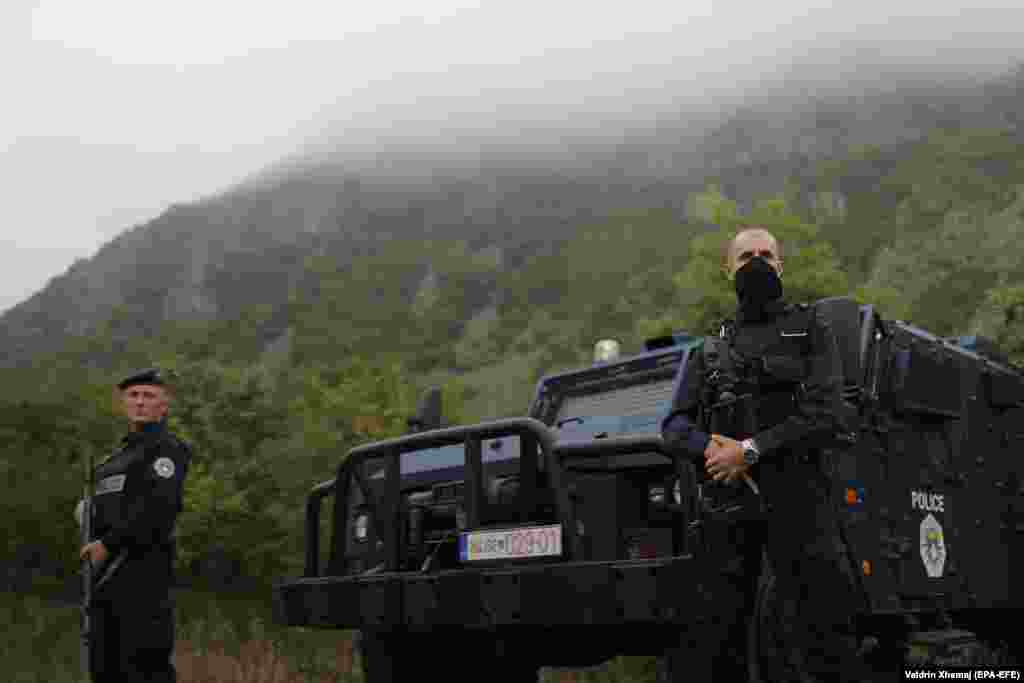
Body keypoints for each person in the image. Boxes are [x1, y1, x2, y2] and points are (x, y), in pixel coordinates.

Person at [661, 227, 867, 681]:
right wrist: (712, 449)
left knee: (825, 639)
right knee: (718, 642)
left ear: (780, 265)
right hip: (729, 512)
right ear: (727, 269)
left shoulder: (813, 329)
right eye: (745, 256)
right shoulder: (710, 349)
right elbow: (673, 426)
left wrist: (750, 451)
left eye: (766, 255)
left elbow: (828, 413)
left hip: (802, 507)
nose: (757, 262)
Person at [77, 368, 192, 682]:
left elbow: (158, 511)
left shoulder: (166, 449)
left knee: (144, 671)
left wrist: (108, 544)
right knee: (105, 670)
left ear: (164, 405)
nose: (140, 402)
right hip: (103, 583)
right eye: (134, 395)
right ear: (123, 403)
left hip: (143, 582)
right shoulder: (112, 461)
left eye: (149, 396)